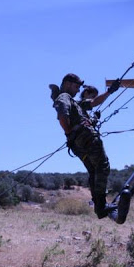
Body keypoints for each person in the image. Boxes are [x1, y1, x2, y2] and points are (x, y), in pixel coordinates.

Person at [51, 73, 120, 219]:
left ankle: (99, 205)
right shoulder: (64, 97)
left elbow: (93, 103)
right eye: (76, 87)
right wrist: (70, 131)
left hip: (79, 143)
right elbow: (62, 115)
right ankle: (101, 206)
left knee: (94, 171)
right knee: (102, 166)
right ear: (68, 84)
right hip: (86, 138)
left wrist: (110, 92)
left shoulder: (75, 102)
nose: (77, 91)